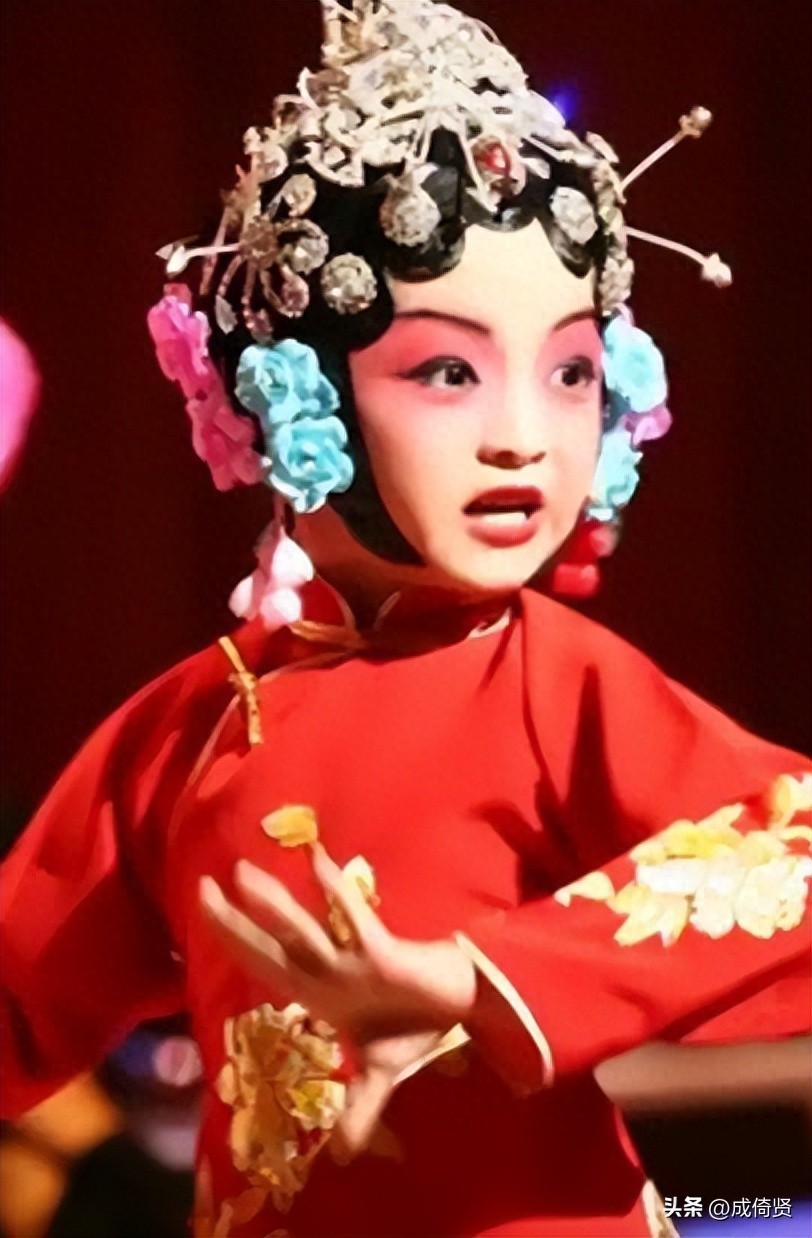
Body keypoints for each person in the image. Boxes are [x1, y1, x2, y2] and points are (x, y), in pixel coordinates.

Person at [2, 2, 810, 1235]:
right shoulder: (197, 723)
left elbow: (790, 849)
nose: (521, 435)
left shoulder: (541, 677)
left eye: (569, 370)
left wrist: (480, 981)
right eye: (446, 370)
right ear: (292, 393)